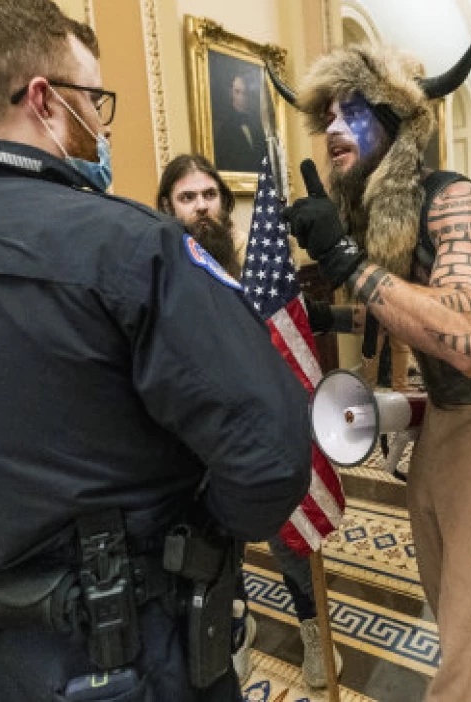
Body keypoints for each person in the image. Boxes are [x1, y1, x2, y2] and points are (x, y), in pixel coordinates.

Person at [0, 0, 312, 702]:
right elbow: (270, 455)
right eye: (94, 98)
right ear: (46, 101)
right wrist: (199, 537)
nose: (99, 123)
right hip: (134, 649)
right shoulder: (131, 247)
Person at [270, 12, 471, 701]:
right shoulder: (399, 216)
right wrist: (323, 309)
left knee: (470, 664)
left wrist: (342, 259)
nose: (333, 130)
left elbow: (461, 330)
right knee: (466, 624)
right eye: (326, 115)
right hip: (444, 430)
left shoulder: (456, 202)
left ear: (395, 124)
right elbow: (402, 308)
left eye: (353, 113)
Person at [156, 153, 345, 689]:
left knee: (290, 538)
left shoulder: (255, 264)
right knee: (218, 548)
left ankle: (314, 629)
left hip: (263, 428)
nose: (201, 208)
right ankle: (234, 628)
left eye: (208, 195)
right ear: (168, 207)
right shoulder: (160, 268)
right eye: (187, 198)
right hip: (197, 436)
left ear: (224, 200)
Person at [213, 74, 265, 173]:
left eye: (245, 93)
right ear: (230, 93)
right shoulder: (225, 128)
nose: (242, 98)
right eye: (237, 92)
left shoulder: (258, 125)